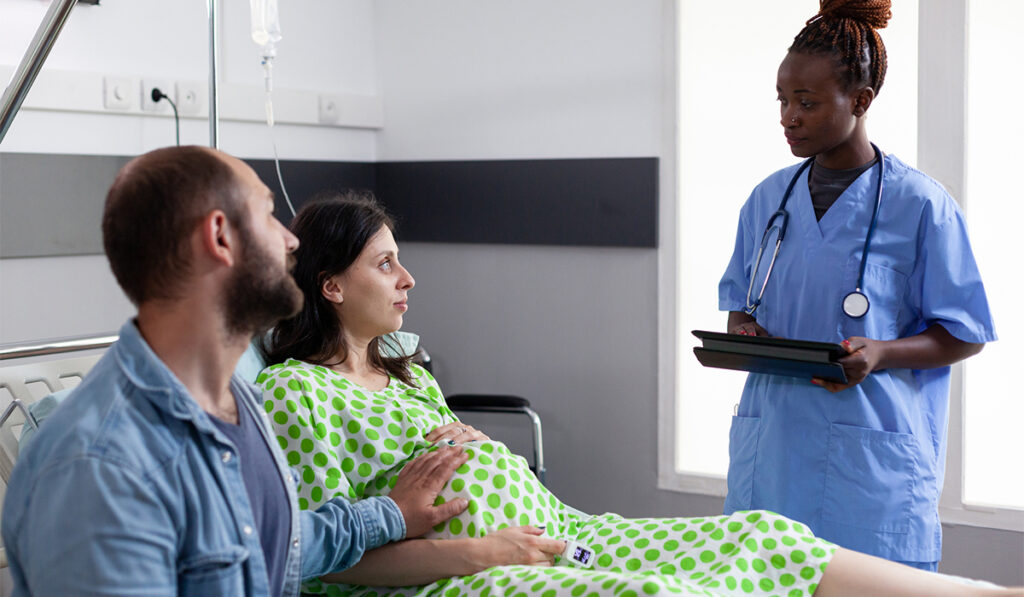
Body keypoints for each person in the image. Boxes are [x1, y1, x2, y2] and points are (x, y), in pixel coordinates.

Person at [259, 193, 1019, 597]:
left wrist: (483, 466)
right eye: (386, 264)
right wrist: (479, 549)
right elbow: (315, 563)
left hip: (551, 531)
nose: (408, 278)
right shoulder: (298, 397)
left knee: (758, 537)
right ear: (331, 285)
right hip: (463, 573)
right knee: (655, 590)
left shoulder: (405, 370)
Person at [0, 146, 473, 597]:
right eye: (269, 216)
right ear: (220, 237)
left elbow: (270, 542)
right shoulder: (99, 464)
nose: (291, 242)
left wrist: (388, 515)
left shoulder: (238, 404)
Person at [717, 0, 997, 572]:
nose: (788, 117)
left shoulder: (920, 205)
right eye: (783, 100)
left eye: (807, 102)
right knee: (764, 580)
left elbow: (965, 333)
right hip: (771, 451)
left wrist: (883, 353)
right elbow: (738, 305)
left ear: (860, 101)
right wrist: (745, 332)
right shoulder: (768, 201)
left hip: (869, 464)